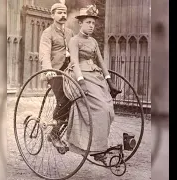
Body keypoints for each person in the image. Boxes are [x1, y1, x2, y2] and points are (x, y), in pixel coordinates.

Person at [63, 5, 121, 164]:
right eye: (88, 22)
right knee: (100, 109)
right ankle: (96, 149)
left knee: (108, 108)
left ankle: (99, 146)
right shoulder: (74, 41)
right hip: (79, 75)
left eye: (93, 23)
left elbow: (101, 62)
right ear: (80, 23)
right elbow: (74, 62)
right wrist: (81, 82)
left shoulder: (94, 41)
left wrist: (110, 82)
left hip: (95, 76)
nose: (91, 26)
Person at [39, 3, 74, 148]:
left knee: (76, 99)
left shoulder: (70, 32)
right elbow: (44, 52)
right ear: (52, 15)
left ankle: (70, 134)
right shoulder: (48, 32)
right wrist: (48, 69)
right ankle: (54, 133)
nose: (63, 15)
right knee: (64, 100)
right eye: (59, 13)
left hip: (69, 71)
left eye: (65, 13)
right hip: (55, 72)